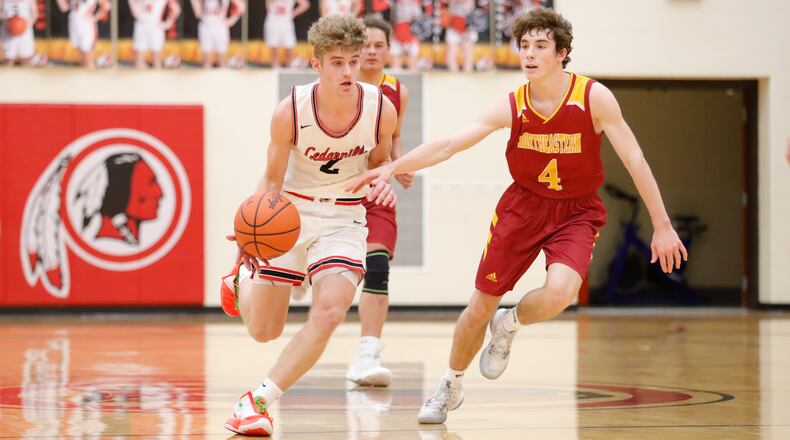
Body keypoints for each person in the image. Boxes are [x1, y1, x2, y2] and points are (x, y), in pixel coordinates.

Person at [349, 7, 688, 424]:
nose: (529, 54)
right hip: (522, 207)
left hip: (577, 211)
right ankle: (450, 382)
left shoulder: (593, 98)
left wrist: (663, 225)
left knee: (562, 291)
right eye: (524, 46)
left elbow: (634, 159)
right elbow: (450, 144)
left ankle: (510, 324)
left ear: (562, 53)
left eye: (540, 46)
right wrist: (392, 167)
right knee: (479, 308)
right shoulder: (514, 104)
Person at [219, 14, 398, 436]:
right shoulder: (291, 111)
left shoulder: (380, 110)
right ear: (316, 64)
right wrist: (248, 236)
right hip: (291, 214)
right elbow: (270, 179)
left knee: (331, 310)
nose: (349, 71)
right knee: (265, 330)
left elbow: (380, 164)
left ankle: (258, 400)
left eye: (354, 61)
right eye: (338, 62)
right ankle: (242, 282)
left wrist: (384, 182)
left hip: (345, 217)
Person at [344, 15, 414, 387]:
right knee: (338, 276)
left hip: (377, 188)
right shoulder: (342, 85)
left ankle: (368, 354)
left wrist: (401, 166)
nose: (372, 51)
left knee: (377, 266)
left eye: (379, 45)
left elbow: (396, 137)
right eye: (365, 45)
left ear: (389, 49)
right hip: (337, 188)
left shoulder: (397, 91)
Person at [55, 0, 110, 68]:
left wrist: (96, 17)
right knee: (82, 59)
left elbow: (106, 5)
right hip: (74, 23)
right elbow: (64, 8)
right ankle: (85, 77)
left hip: (86, 25)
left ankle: (92, 75)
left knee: (87, 58)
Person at [191, 0, 244, 68]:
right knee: (206, 62)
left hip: (220, 28)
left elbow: (241, 6)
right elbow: (198, 13)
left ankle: (222, 77)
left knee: (222, 61)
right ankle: (206, 78)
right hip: (205, 27)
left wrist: (231, 21)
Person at [128, 0, 181, 68]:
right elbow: (136, 13)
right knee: (139, 61)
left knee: (156, 60)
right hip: (141, 25)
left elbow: (176, 9)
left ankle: (157, 78)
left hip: (155, 27)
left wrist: (168, 23)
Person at [263, 0, 308, 68]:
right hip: (273, 20)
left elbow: (305, 4)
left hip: (286, 22)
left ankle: (290, 72)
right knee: (274, 53)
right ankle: (275, 71)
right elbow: (267, 5)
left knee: (289, 50)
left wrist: (293, 13)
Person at [1, 0, 37, 66]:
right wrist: (7, 23)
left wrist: (24, 26)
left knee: (26, 60)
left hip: (25, 32)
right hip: (8, 32)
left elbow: (35, 14)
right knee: (8, 60)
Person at [444, 0, 477, 72]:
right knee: (450, 58)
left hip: (467, 28)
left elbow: (470, 11)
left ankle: (467, 78)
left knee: (467, 57)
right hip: (454, 27)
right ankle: (455, 78)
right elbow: (450, 11)